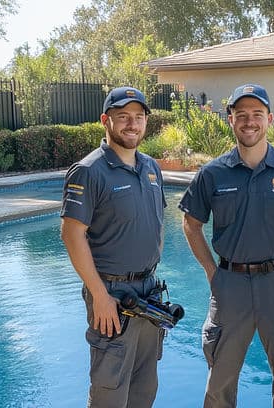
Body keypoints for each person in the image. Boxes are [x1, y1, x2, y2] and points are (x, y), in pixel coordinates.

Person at [179, 84, 274, 408]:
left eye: (257, 114)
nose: (250, 122)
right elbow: (191, 223)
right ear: (230, 120)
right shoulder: (212, 173)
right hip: (229, 284)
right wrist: (211, 271)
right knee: (220, 379)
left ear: (269, 119)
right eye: (241, 115)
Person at [60, 86, 166, 408]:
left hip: (148, 294)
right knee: (110, 392)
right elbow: (71, 234)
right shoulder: (89, 171)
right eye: (123, 117)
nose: (132, 125)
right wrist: (99, 295)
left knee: (144, 387)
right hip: (111, 295)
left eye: (138, 117)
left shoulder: (151, 168)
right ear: (106, 120)